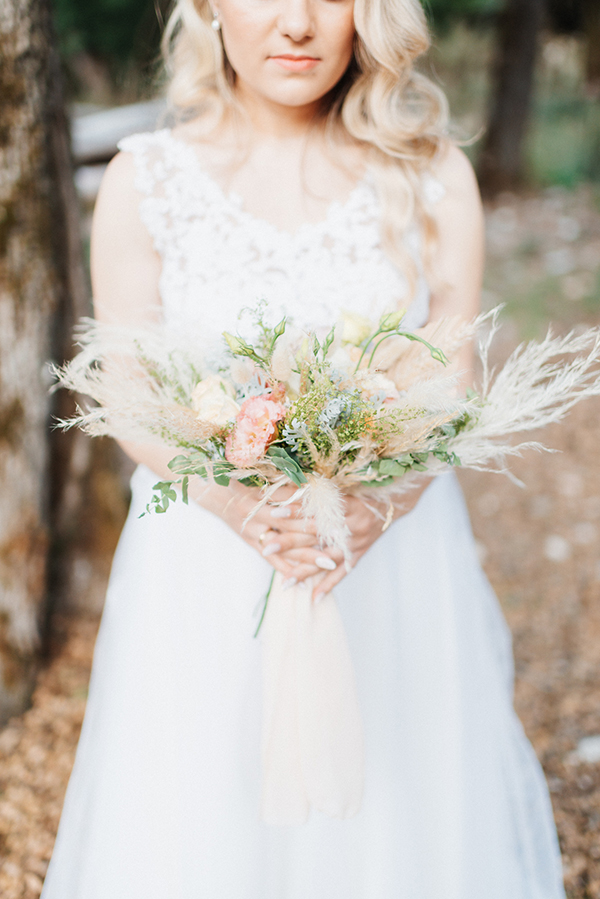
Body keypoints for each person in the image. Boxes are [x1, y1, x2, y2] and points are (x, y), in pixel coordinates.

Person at [42, 0, 567, 896]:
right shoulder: (148, 180)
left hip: (390, 556)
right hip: (202, 551)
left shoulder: (432, 174)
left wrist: (375, 508)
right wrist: (240, 506)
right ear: (207, 7)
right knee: (204, 806)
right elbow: (122, 382)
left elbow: (453, 365)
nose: (296, 23)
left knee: (400, 808)